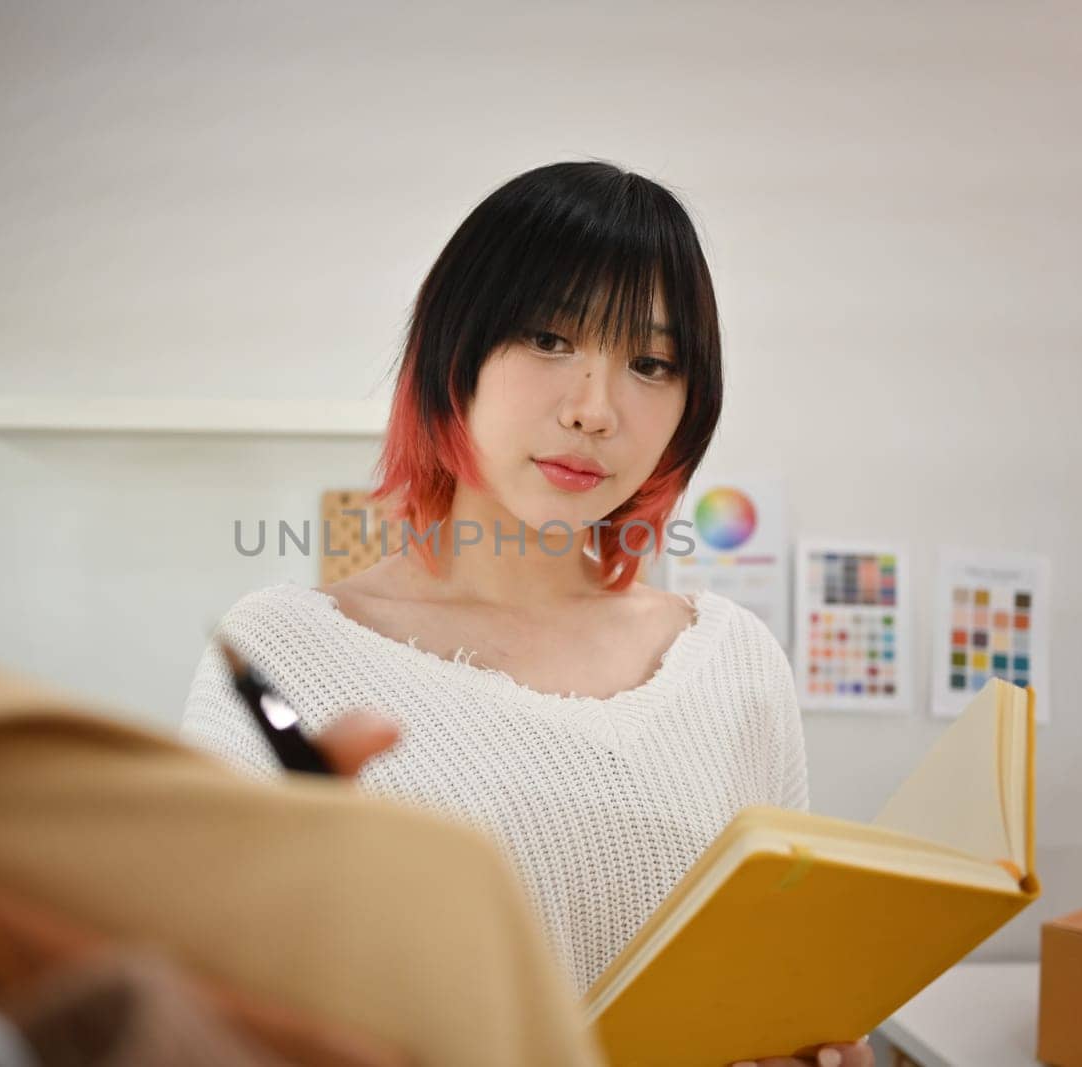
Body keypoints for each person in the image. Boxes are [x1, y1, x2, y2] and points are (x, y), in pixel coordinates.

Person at [182, 160, 871, 1067]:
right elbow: (192, 1011)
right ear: (452, 355)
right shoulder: (288, 654)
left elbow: (778, 978)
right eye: (549, 339)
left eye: (651, 363)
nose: (595, 410)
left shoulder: (734, 659)